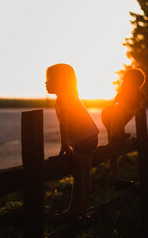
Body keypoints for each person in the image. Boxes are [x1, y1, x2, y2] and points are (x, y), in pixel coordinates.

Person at [46, 63, 99, 219]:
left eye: (50, 79)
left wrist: (64, 145)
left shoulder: (64, 98)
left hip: (83, 139)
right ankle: (81, 210)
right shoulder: (71, 95)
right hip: (90, 137)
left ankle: (73, 211)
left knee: (79, 177)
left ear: (61, 81)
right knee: (85, 176)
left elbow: (65, 121)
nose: (46, 83)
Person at [101, 68, 146, 190]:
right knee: (120, 107)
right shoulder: (120, 95)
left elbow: (136, 113)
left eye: (128, 81)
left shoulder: (140, 96)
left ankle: (117, 181)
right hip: (108, 116)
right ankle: (118, 134)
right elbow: (116, 112)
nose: (124, 84)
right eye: (124, 81)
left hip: (119, 121)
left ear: (137, 84)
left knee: (113, 149)